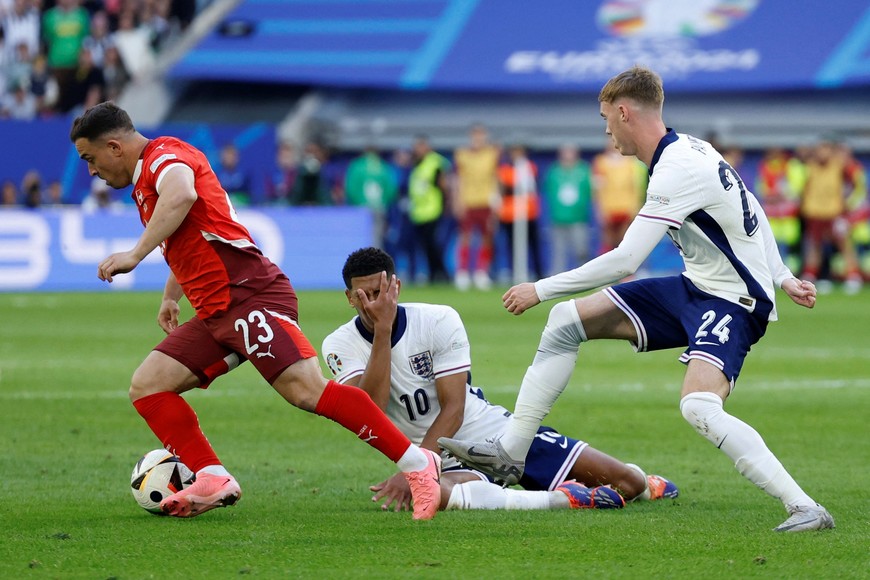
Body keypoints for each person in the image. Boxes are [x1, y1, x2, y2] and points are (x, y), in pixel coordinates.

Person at [440, 66, 834, 533]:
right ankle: (511, 452)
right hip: (696, 287)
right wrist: (785, 275)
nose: (606, 130)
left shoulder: (677, 168)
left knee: (698, 407)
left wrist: (538, 289)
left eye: (607, 119)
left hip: (734, 302)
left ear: (625, 112)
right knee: (568, 321)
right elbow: (752, 207)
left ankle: (804, 506)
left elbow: (625, 259)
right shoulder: (692, 148)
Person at [69, 102, 441, 520]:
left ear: (114, 147)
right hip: (216, 310)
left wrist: (136, 254)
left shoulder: (165, 158)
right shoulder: (146, 176)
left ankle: (418, 464)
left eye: (90, 158)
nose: (91, 171)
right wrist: (172, 294)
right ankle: (211, 476)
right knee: (148, 385)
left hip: (250, 296)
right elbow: (189, 230)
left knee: (307, 391)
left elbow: (182, 194)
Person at [323, 247, 678, 513]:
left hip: (495, 436)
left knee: (625, 485)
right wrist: (382, 332)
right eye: (362, 296)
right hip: (437, 460)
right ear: (348, 297)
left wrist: (418, 465)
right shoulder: (338, 345)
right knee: (434, 495)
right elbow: (369, 410)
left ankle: (646, 483)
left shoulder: (438, 320)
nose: (371, 304)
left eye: (379, 293)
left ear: (396, 287)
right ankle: (560, 499)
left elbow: (455, 408)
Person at [453, 124, 501, 290]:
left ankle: (481, 272)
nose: (478, 139)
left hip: (486, 201)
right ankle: (463, 272)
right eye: (475, 135)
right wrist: (457, 200)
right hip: (468, 201)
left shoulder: (492, 154)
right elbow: (458, 179)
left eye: (481, 135)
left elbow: (496, 178)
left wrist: (496, 201)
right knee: (465, 237)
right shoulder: (462, 154)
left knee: (486, 238)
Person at [543, 143, 594, 275]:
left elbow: (590, 192)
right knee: (558, 252)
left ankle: (585, 276)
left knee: (581, 250)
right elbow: (548, 191)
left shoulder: (583, 170)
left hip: (578, 218)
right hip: (558, 218)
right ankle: (556, 278)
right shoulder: (554, 171)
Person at [497, 143, 544, 282]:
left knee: (533, 245)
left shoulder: (529, 167)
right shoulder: (504, 170)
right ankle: (514, 273)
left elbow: (531, 187)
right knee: (512, 246)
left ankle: (538, 273)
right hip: (509, 214)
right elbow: (505, 189)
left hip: (528, 212)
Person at [407, 135, 450, 283]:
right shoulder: (417, 163)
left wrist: (447, 204)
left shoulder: (435, 162)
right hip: (419, 212)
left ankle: (441, 274)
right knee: (425, 246)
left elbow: (444, 185)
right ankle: (433, 274)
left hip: (432, 209)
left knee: (433, 245)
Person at [592, 140, 646, 253]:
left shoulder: (631, 162)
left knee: (625, 242)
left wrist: (636, 207)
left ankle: (627, 270)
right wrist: (599, 210)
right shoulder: (600, 162)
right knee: (608, 242)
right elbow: (597, 189)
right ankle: (606, 269)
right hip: (608, 208)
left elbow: (636, 187)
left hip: (626, 207)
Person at [344, 145, 398, 249]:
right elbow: (391, 189)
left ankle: (361, 260)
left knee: (360, 236)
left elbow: (350, 187)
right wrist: (384, 202)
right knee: (377, 236)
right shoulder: (383, 166)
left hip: (360, 206)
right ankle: (376, 260)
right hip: (379, 206)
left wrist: (355, 202)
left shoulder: (357, 166)